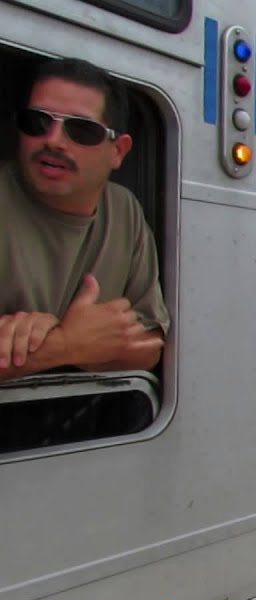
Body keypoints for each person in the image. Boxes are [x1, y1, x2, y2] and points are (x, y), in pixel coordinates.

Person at [0, 57, 168, 383]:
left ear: (118, 151)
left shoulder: (123, 210)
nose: (53, 140)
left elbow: (150, 345)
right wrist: (67, 343)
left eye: (81, 130)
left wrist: (71, 342)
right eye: (37, 122)